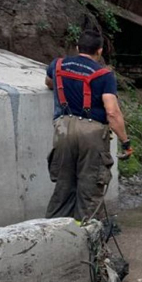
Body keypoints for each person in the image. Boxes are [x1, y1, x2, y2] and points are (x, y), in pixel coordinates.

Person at [44, 29, 131, 220]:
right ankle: (87, 241)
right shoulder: (104, 75)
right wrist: (126, 142)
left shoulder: (57, 65)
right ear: (99, 51)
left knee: (63, 188)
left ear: (77, 47)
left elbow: (49, 82)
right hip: (92, 134)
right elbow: (112, 112)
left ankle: (55, 238)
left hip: (63, 131)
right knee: (90, 190)